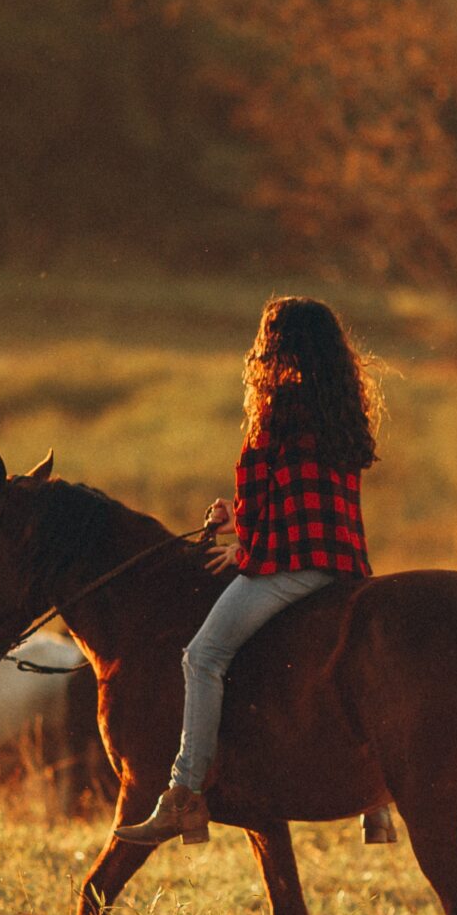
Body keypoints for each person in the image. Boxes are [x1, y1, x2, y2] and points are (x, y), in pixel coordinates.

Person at [115, 296, 393, 848]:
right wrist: (239, 524)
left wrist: (244, 547)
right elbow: (304, 501)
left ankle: (184, 795)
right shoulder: (343, 413)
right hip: (345, 568)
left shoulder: (279, 413)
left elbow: (277, 512)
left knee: (203, 656)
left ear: (275, 346)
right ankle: (377, 806)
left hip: (289, 567)